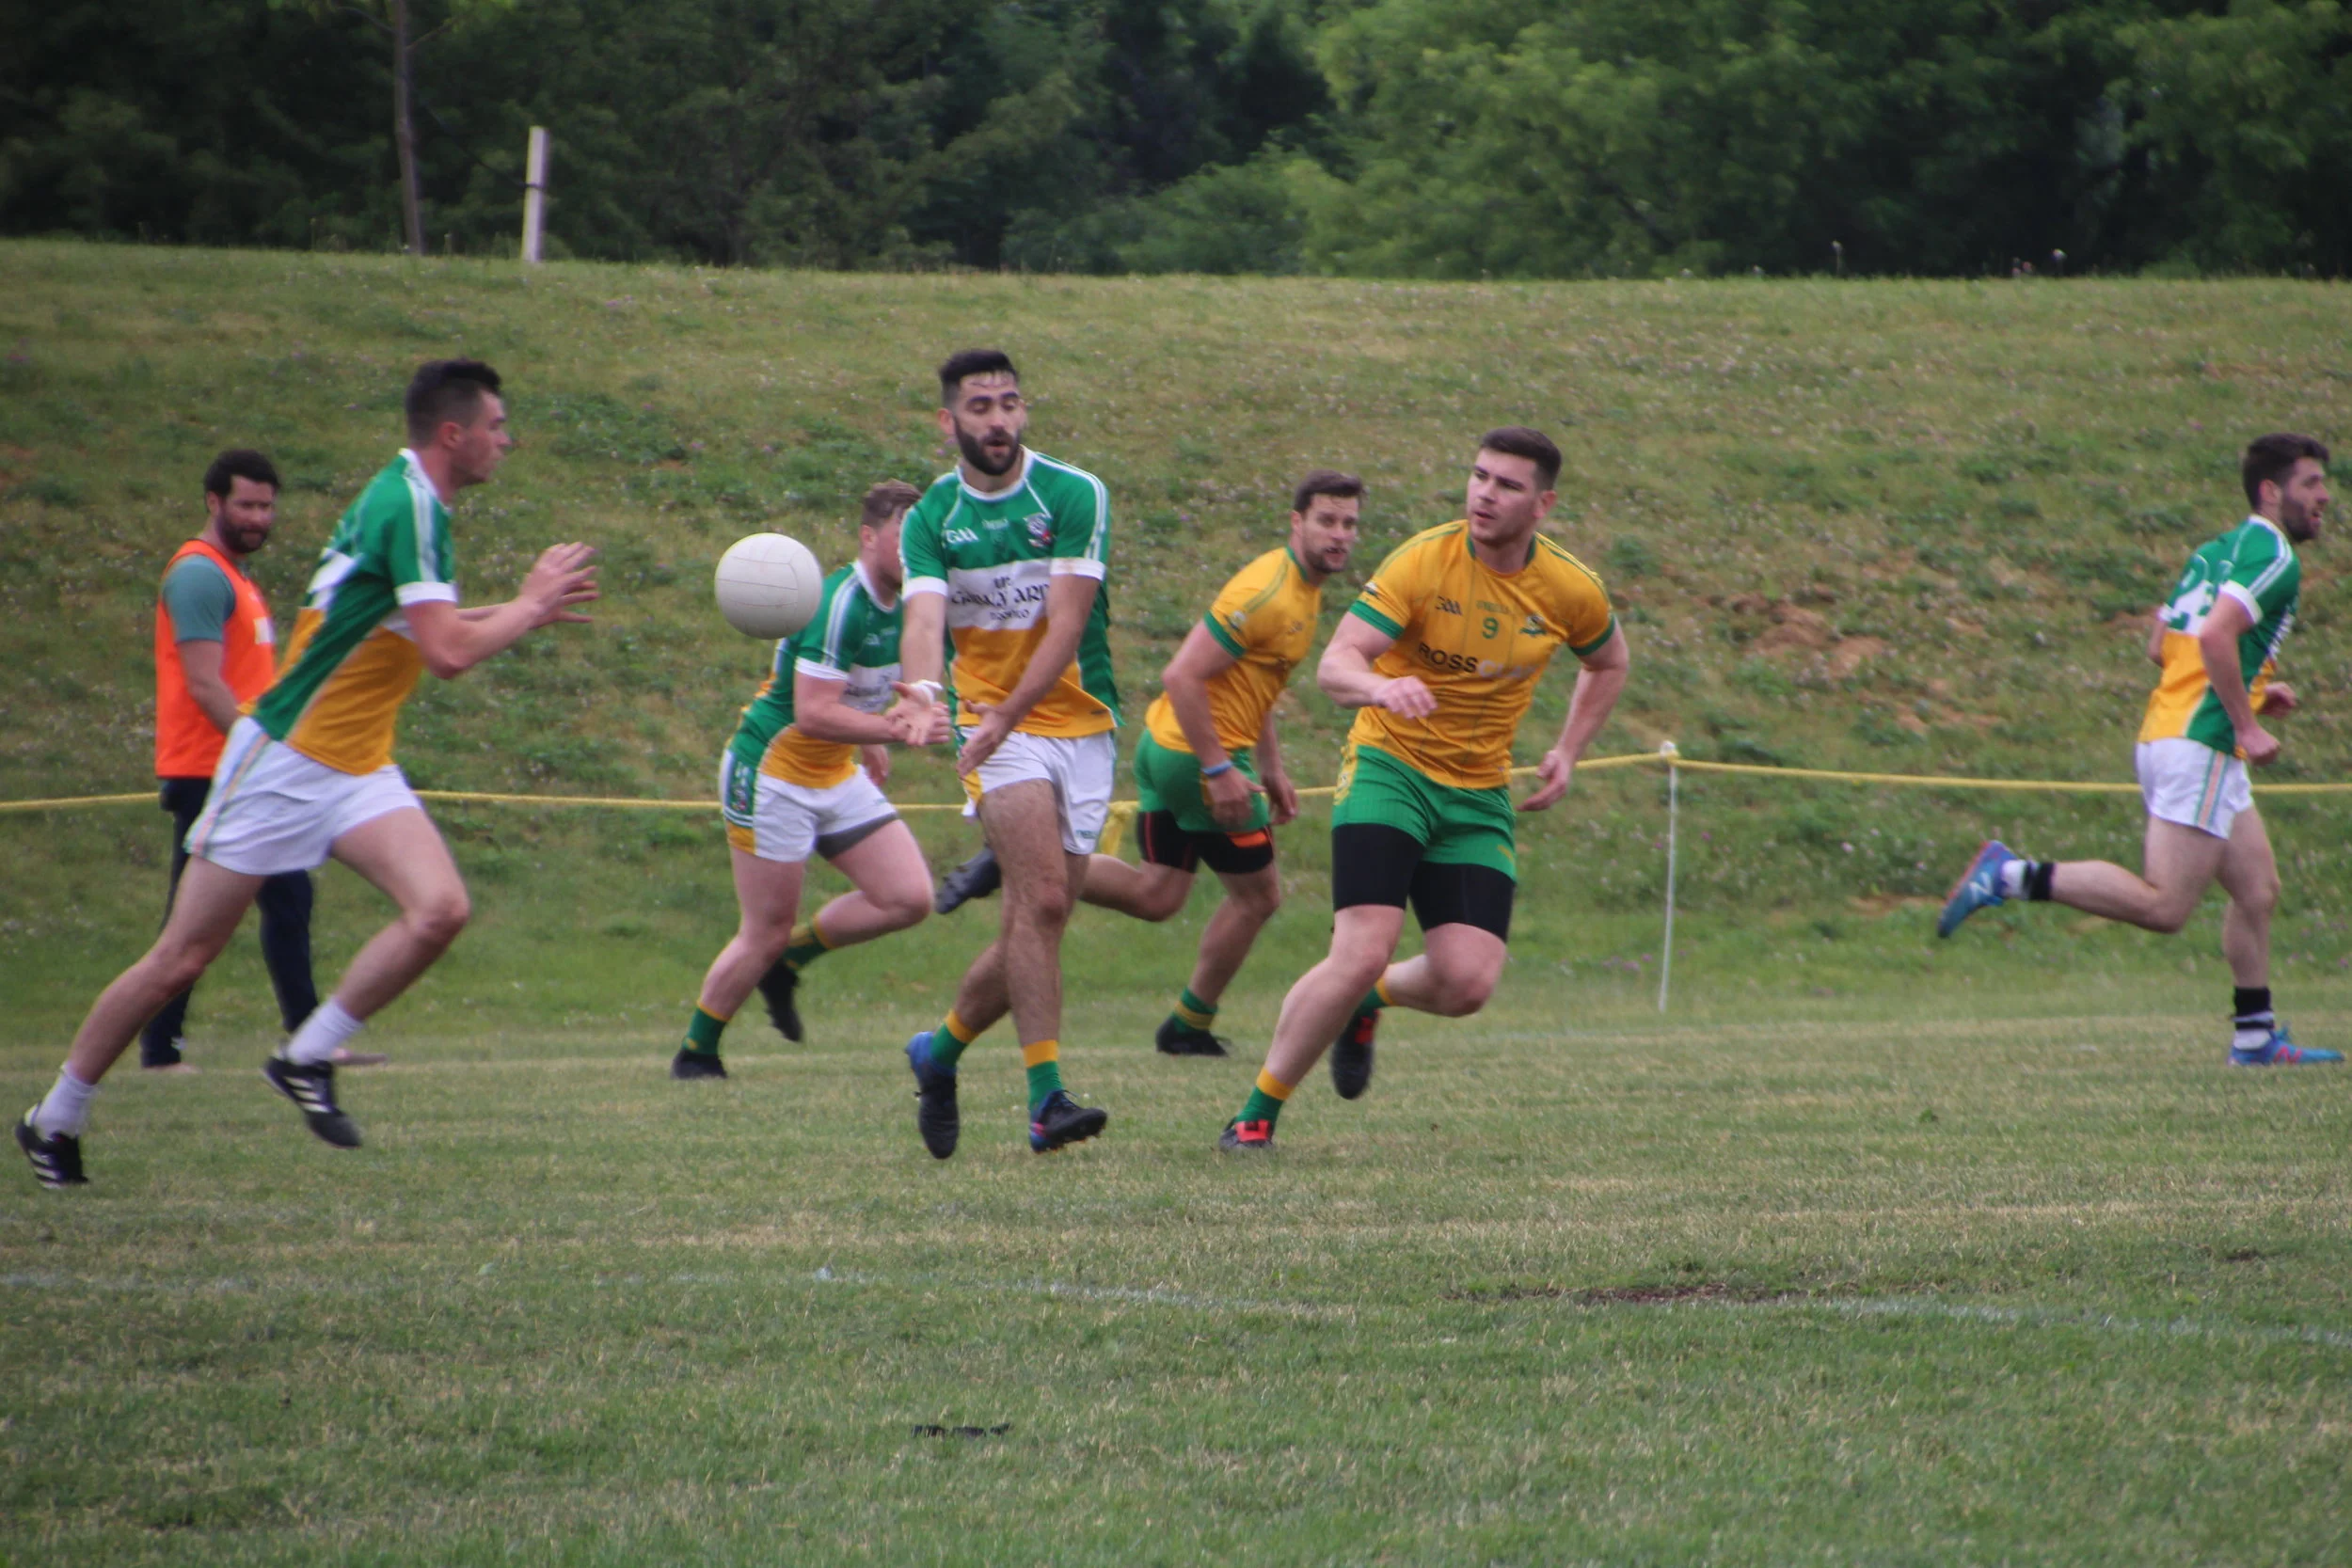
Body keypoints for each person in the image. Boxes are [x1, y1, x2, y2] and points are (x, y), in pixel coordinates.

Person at [17, 359, 598, 1189]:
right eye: (498, 426)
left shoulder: (413, 500)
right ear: (452, 433)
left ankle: (306, 1055)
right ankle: (54, 1116)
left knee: (439, 909)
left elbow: (411, 622)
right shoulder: (409, 504)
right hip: (284, 759)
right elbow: (447, 654)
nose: (508, 440)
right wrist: (531, 604)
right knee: (182, 956)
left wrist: (520, 607)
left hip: (355, 765)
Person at [1220, 427, 1630, 1151]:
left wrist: (1568, 749)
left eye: (1506, 484)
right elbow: (1335, 664)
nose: (1484, 493)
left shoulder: (1571, 587)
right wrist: (1383, 685)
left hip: (1476, 796)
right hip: (1391, 770)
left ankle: (1366, 1004)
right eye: (1478, 476)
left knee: (1467, 984)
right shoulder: (1423, 560)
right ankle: (1257, 1113)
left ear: (1543, 503)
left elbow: (1608, 662)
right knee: (1360, 950)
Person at [1938, 433, 2339, 1067]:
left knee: (2257, 887)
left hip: (2170, 734)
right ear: (2272, 490)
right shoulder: (2274, 552)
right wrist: (2246, 724)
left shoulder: (2213, 551)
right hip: (2202, 743)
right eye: (2312, 483)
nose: (2325, 497)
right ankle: (2009, 874)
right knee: (2165, 905)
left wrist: (2256, 692)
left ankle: (2255, 1037)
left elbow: (2162, 645)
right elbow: (2213, 635)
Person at [934, 471, 1364, 1058]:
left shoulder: (1302, 590)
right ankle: (1189, 1022)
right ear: (1297, 522)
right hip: (1197, 756)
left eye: (1349, 524)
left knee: (1157, 896)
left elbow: (1250, 680)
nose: (1339, 535)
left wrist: (1273, 766)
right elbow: (1182, 674)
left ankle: (1028, 864)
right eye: (1326, 521)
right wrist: (1220, 770)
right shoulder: (1268, 591)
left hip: (1170, 745)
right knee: (1259, 897)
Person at [893, 348, 1120, 1158]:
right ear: (947, 421)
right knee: (1048, 901)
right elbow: (922, 621)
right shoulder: (930, 519)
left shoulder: (1072, 492)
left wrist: (1005, 715)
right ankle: (1045, 1100)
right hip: (995, 727)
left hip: (1080, 725)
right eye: (980, 407)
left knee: (1038, 921)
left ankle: (940, 1050)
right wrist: (924, 696)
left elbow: (1065, 626)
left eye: (1010, 403)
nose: (999, 420)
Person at [671, 481, 949, 1079]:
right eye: (906, 537)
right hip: (772, 773)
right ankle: (697, 1052)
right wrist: (890, 733)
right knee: (763, 929)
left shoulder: (913, 607)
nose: (916, 552)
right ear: (869, 537)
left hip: (833, 769)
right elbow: (812, 712)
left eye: (924, 538)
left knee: (908, 898)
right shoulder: (840, 602)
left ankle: (790, 960)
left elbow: (868, 697)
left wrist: (869, 741)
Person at [140, 450, 321, 1071]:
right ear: (213, 502)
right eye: (246, 503)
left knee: (285, 899)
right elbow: (205, 684)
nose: (259, 517)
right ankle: (301, 1042)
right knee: (203, 923)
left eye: (267, 505)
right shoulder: (198, 575)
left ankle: (302, 1039)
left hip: (233, 765)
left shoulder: (235, 577)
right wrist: (258, 754)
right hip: (213, 769)